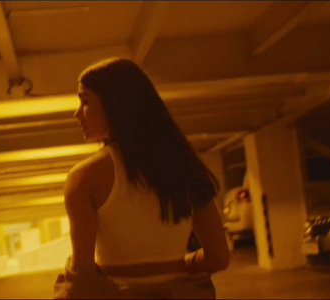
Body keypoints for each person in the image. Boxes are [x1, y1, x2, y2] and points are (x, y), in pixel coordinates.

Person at [55, 58, 229, 299]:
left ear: (113, 104)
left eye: (85, 101)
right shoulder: (184, 166)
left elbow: (83, 274)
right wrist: (178, 266)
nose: (76, 113)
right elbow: (218, 257)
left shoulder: (85, 177)